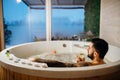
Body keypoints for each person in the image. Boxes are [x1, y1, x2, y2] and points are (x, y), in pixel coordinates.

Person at [28, 38, 108, 67]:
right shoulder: (105, 65)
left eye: (89, 48)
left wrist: (38, 60)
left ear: (95, 54)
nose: (87, 49)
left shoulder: (86, 65)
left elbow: (63, 65)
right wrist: (82, 63)